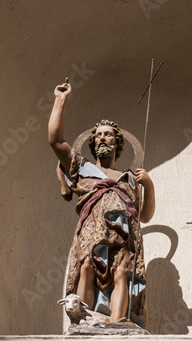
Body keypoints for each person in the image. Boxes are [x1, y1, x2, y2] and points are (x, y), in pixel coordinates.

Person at [48, 77, 155, 324]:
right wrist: (60, 100)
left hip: (124, 235)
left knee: (122, 273)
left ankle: (119, 322)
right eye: (98, 136)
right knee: (87, 266)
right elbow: (55, 140)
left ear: (117, 143)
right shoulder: (82, 168)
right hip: (93, 230)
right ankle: (85, 320)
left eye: (108, 135)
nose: (103, 138)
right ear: (92, 143)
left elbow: (146, 216)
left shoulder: (128, 178)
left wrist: (148, 185)